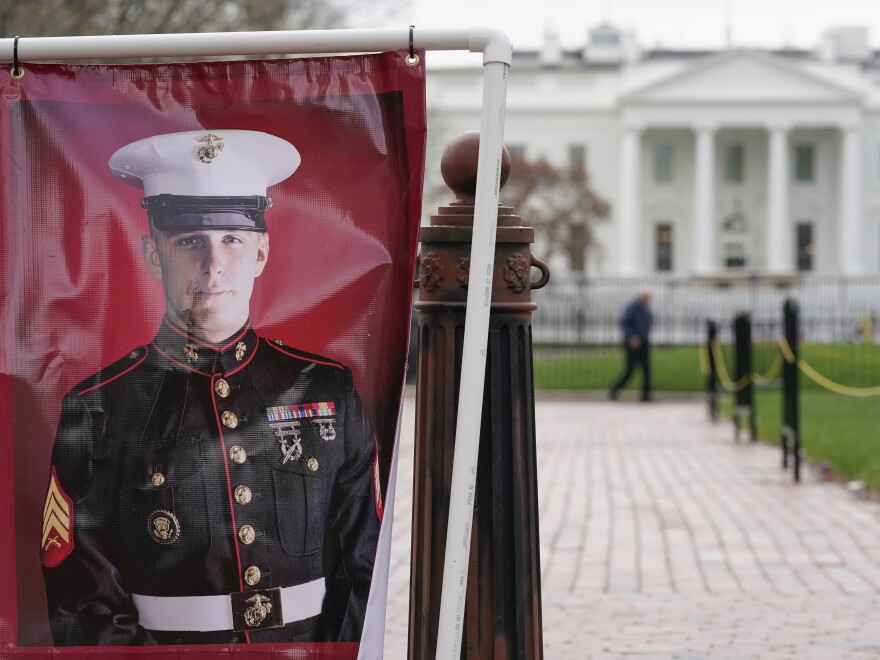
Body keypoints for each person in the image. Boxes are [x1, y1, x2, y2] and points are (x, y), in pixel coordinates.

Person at [39, 130, 381, 645]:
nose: (213, 264)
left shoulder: (324, 389)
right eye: (189, 242)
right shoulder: (98, 407)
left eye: (232, 241)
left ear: (262, 254)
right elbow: (83, 595)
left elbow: (365, 561)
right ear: (153, 255)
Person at [609, 289, 653, 401]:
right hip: (633, 343)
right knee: (630, 370)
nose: (648, 299)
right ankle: (614, 388)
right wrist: (632, 336)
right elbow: (624, 322)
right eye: (646, 297)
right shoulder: (632, 307)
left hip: (643, 342)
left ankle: (646, 395)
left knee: (646, 369)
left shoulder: (645, 308)